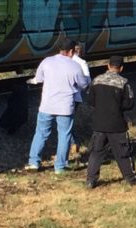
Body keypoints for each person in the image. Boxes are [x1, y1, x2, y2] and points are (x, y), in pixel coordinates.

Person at [25, 39, 90, 173]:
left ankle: (33, 162)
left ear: (60, 49)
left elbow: (39, 78)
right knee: (64, 135)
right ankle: (60, 166)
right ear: (72, 51)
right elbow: (84, 85)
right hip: (65, 106)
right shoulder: (75, 66)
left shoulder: (47, 61)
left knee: (41, 133)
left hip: (46, 105)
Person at [86, 55, 136, 188]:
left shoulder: (96, 80)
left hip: (99, 123)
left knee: (96, 152)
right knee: (123, 152)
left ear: (108, 66)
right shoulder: (123, 82)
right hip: (117, 124)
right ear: (121, 68)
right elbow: (129, 104)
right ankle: (130, 178)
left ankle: (91, 180)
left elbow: (90, 101)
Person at [69, 41, 91, 156]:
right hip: (75, 97)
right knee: (67, 122)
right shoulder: (82, 62)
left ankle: (74, 144)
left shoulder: (66, 61)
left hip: (69, 97)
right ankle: (73, 144)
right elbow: (88, 81)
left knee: (65, 123)